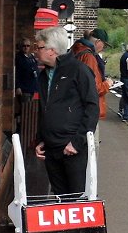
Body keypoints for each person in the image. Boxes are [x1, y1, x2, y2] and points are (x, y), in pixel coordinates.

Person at [34, 25, 100, 196]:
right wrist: (41, 139)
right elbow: (45, 109)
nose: (36, 51)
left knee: (76, 197)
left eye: (39, 47)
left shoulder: (79, 70)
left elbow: (92, 107)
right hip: (51, 147)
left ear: (52, 50)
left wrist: (77, 142)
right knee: (59, 196)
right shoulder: (43, 76)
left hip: (72, 147)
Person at [70, 28, 112, 133]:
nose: (103, 48)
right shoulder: (89, 57)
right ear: (98, 42)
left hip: (74, 108)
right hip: (87, 111)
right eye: (104, 45)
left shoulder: (75, 49)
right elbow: (94, 88)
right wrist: (107, 84)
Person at [13, 34, 39, 132]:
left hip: (31, 87)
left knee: (29, 109)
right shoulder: (19, 58)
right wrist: (18, 86)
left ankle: (26, 127)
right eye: (24, 46)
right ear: (20, 47)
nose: (26, 48)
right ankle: (22, 129)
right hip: (24, 88)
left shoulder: (30, 57)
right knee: (25, 109)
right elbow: (17, 73)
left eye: (28, 46)